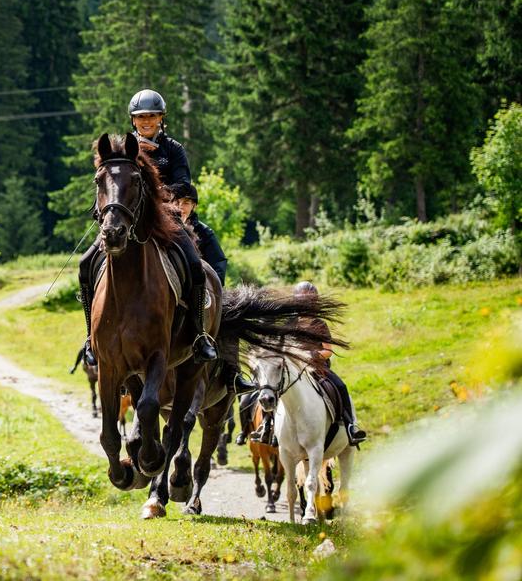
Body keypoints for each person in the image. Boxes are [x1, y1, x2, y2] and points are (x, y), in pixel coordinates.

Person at [77, 88, 228, 368]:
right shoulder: (123, 149)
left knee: (195, 265)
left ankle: (199, 335)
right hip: (125, 221)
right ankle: (90, 337)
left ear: (161, 119)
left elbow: (184, 183)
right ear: (133, 121)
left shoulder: (173, 150)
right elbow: (108, 181)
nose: (146, 121)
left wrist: (158, 191)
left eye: (152, 116)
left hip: (163, 220)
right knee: (86, 264)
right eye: (141, 117)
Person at [236, 281, 368, 447]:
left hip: (317, 369)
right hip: (292, 371)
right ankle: (267, 426)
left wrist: (311, 355)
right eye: (302, 302)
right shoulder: (289, 324)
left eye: (309, 303)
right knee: (270, 390)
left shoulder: (319, 324)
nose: (305, 306)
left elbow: (328, 351)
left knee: (340, 386)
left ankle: (350, 427)